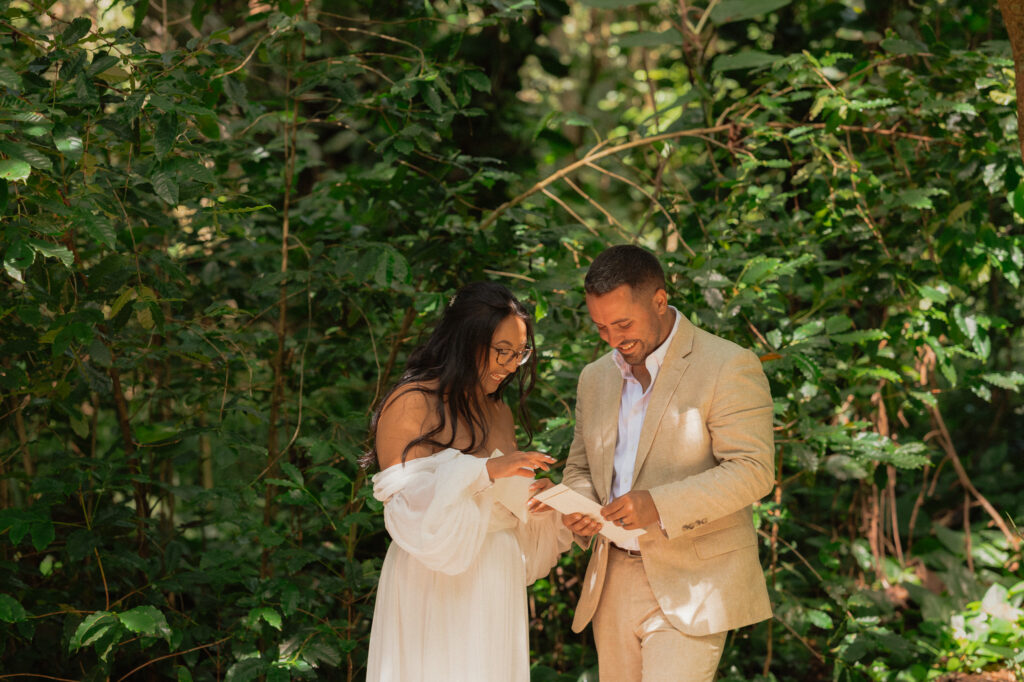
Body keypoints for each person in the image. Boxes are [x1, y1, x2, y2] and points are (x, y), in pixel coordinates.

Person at [561, 244, 775, 682]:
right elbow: (580, 469)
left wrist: (658, 505)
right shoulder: (594, 377)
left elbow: (754, 469)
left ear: (660, 301)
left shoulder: (728, 364)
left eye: (623, 323)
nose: (613, 340)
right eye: (601, 327)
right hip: (612, 579)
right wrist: (579, 508)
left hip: (694, 581)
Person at [364, 281, 572, 682]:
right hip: (432, 577)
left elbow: (501, 508)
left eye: (520, 353)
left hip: (497, 572)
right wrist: (485, 471)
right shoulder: (412, 401)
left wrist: (538, 505)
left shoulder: (500, 413)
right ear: (466, 340)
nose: (513, 365)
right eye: (503, 352)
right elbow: (408, 509)